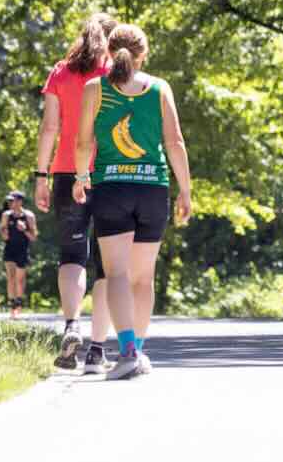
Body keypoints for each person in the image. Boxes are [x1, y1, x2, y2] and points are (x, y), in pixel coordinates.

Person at [73, 23, 193, 380]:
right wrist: (185, 190)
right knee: (143, 278)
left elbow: (83, 143)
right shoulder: (159, 88)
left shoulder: (96, 88)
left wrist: (81, 178)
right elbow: (175, 143)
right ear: (145, 53)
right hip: (153, 188)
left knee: (117, 274)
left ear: (108, 52)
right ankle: (138, 351)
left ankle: (127, 352)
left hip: (112, 188)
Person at [36, 13, 117, 372]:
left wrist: (41, 175)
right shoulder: (117, 72)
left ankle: (72, 324)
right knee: (107, 265)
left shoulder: (60, 72)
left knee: (72, 253)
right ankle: (97, 351)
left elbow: (49, 128)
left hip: (67, 171)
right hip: (111, 173)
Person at [0, 191, 37, 318]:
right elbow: (3, 232)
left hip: (22, 250)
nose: (10, 203)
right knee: (10, 278)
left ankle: (19, 303)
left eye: (12, 200)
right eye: (9, 201)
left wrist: (24, 229)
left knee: (19, 280)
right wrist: (4, 233)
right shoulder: (6, 215)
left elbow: (33, 237)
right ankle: (12, 308)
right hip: (10, 249)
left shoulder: (29, 216)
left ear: (20, 201)